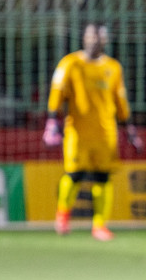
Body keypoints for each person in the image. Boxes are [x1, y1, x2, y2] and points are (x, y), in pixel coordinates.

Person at [44, 23, 140, 241]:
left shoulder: (113, 67)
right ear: (84, 38)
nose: (95, 40)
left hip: (106, 133)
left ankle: (99, 226)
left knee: (102, 178)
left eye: (99, 37)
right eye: (91, 36)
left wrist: (130, 130)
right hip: (77, 132)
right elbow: (57, 92)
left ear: (105, 40)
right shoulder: (70, 63)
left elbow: (121, 100)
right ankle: (62, 217)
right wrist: (52, 121)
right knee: (74, 175)